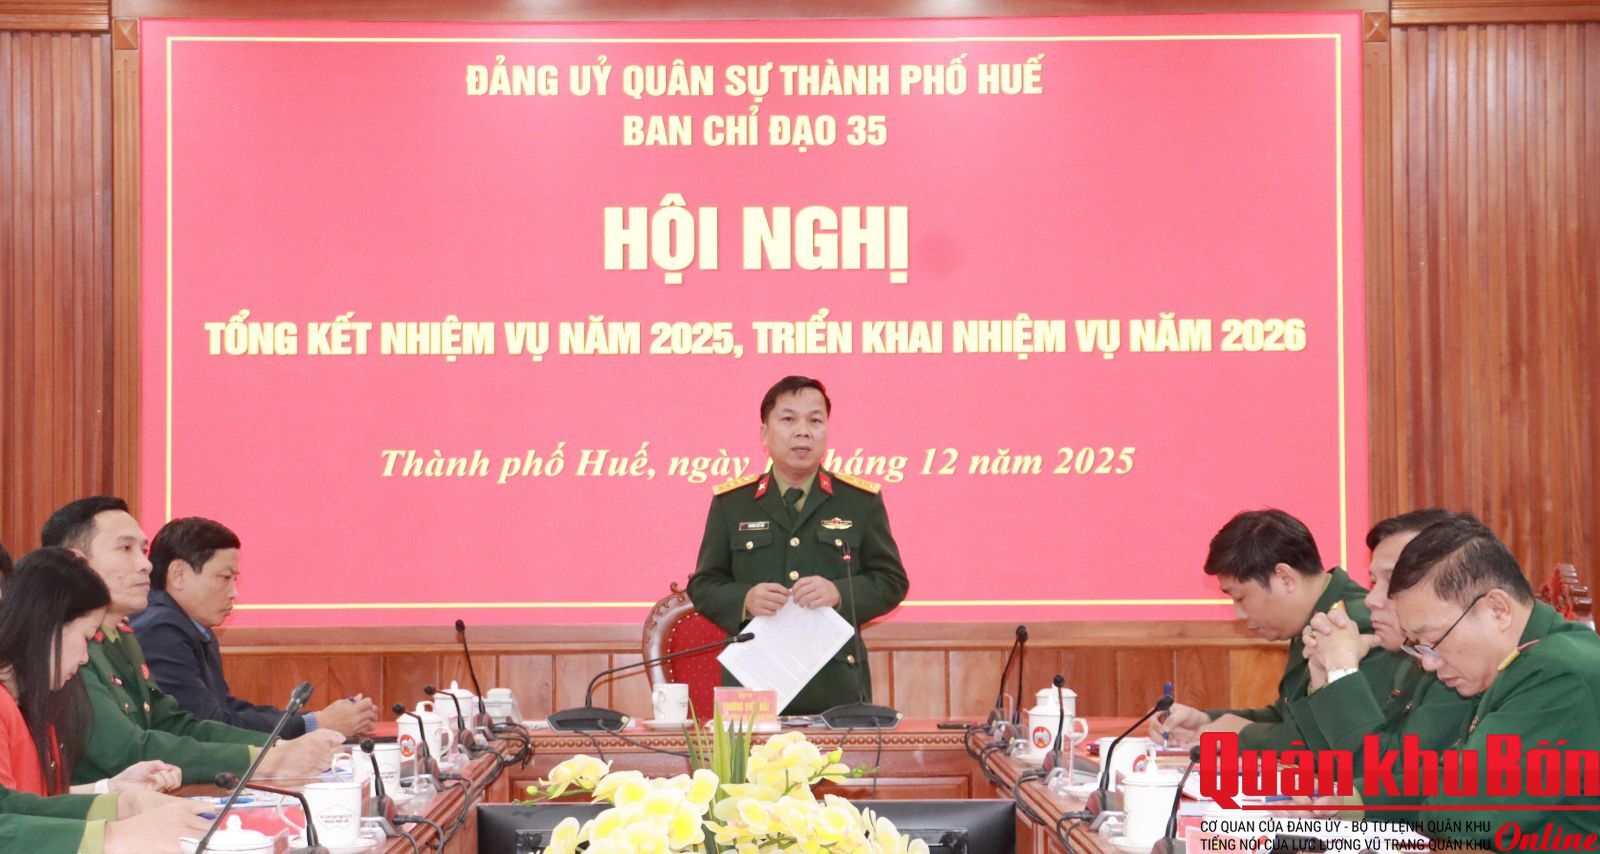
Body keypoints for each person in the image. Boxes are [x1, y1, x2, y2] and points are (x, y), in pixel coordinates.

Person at [38, 497, 342, 785]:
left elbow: (174, 724)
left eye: (143, 550)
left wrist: (275, 747)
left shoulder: (121, 638)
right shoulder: (62, 646)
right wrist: (264, 759)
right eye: (125, 548)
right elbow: (129, 751)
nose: (145, 565)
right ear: (77, 561)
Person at [688, 376, 909, 714]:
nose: (803, 431)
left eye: (815, 420)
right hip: (753, 686)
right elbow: (704, 585)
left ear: (826, 431)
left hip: (836, 686)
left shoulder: (859, 501)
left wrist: (838, 592)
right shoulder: (732, 503)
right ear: (764, 434)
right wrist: (745, 599)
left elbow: (892, 582)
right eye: (789, 419)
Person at [1376, 514, 1600, 845]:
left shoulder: (1556, 674)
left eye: (1433, 640)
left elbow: (1461, 815)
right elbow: (1451, 776)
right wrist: (1348, 800)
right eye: (1417, 645)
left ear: (1497, 609)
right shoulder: (1514, 662)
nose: (1428, 663)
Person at [1155, 509, 1392, 749]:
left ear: (1285, 578)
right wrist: (1206, 721)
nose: (1239, 614)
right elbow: (1290, 718)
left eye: (1240, 597)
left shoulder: (1355, 625)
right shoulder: (1310, 618)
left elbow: (1346, 739)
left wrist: (1244, 735)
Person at [132, 517, 377, 737]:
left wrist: (317, 719)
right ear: (178, 575)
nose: (234, 592)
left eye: (235, 579)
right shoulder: (160, 629)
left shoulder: (194, 628)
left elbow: (227, 709)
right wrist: (318, 723)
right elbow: (209, 725)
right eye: (224, 577)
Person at [1293, 509, 1473, 765]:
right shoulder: (1410, 657)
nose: (1371, 600)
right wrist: (1323, 676)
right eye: (1373, 582)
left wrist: (1342, 670)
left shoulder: (1461, 668)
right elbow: (1328, 763)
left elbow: (1385, 773)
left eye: (1394, 582)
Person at [0, 548, 180, 797]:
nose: (85, 657)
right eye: (87, 637)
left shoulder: (34, 701)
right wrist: (118, 808)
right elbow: (9, 812)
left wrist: (110, 788)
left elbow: (40, 800)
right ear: (50, 628)